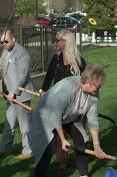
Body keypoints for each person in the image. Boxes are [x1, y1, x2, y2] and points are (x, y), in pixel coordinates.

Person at [28, 64, 106, 177]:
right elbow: (56, 116)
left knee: (81, 140)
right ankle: (39, 174)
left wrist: (97, 145)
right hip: (48, 115)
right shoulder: (68, 88)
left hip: (69, 117)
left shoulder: (94, 94)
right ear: (88, 82)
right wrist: (63, 139)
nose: (99, 89)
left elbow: (93, 119)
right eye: (98, 86)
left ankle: (84, 175)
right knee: (49, 147)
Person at [39, 29, 86, 172]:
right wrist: (43, 90)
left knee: (78, 136)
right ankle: (62, 163)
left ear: (66, 42)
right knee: (59, 135)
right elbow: (49, 76)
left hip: (75, 105)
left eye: (58, 40)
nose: (55, 42)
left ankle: (82, 168)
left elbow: (85, 82)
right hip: (58, 103)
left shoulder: (79, 61)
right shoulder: (56, 59)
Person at [0, 30, 35, 160]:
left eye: (6, 41)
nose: (4, 44)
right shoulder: (6, 52)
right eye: (2, 42)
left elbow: (22, 76)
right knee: (9, 124)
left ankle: (28, 151)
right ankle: (5, 150)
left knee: (24, 126)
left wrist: (13, 92)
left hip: (21, 95)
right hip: (11, 96)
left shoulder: (22, 53)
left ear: (14, 38)